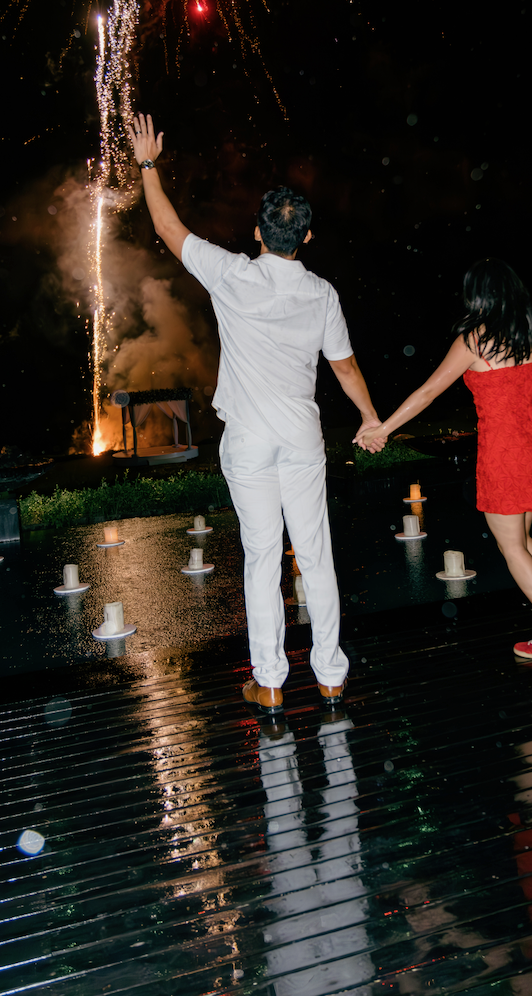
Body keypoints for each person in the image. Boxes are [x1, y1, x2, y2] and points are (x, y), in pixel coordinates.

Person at [127, 113, 381, 710]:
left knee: (263, 557)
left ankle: (269, 682)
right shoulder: (322, 293)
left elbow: (167, 227)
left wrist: (146, 163)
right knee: (315, 553)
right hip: (300, 434)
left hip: (248, 439)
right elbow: (345, 368)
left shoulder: (234, 274)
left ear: (259, 234)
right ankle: (330, 674)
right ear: (307, 239)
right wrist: (369, 418)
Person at [355, 232, 532, 659]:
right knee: (522, 540)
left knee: (511, 548)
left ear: (477, 297)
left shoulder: (475, 340)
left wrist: (384, 429)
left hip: (505, 450)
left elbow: (428, 392)